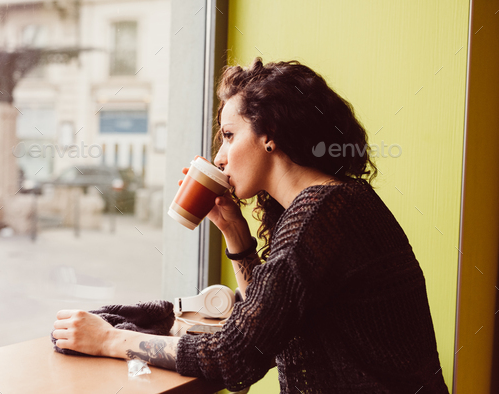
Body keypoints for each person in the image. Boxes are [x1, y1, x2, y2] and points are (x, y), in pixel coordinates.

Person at [52, 58, 449, 393]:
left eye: (228, 136)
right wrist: (236, 236)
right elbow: (272, 324)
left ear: (270, 135)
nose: (219, 157)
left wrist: (108, 339)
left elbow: (234, 358)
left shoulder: (321, 215)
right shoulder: (338, 201)